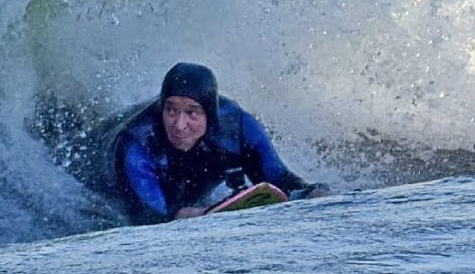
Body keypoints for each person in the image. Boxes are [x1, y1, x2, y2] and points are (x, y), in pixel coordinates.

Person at [107, 62, 329, 223]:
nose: (179, 125)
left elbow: (278, 178)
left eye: (192, 113)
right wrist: (196, 214)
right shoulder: (135, 145)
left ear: (210, 115)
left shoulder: (237, 127)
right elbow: (151, 217)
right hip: (95, 161)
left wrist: (311, 191)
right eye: (171, 110)